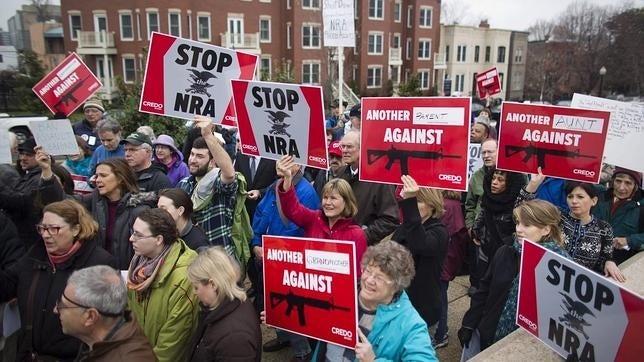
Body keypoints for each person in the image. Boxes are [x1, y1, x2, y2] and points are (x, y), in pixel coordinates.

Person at [0, 199, 115, 361]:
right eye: (42, 228)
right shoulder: (35, 256)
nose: (46, 235)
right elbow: (6, 288)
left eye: (54, 229)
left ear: (76, 229)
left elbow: (106, 324)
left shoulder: (99, 263)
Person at [458, 199, 569, 360]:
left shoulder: (561, 266)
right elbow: (484, 290)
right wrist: (469, 324)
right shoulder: (505, 252)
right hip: (488, 332)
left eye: (527, 225)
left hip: (528, 347)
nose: (519, 230)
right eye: (518, 223)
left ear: (546, 229)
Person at [312, 241, 438, 361]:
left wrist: (373, 360)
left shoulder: (410, 324)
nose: (369, 280)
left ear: (396, 285)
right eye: (368, 271)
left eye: (379, 278)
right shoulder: (341, 294)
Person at [253, 156, 320, 360]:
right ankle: (283, 336)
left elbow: (299, 229)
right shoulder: (275, 185)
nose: (280, 163)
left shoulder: (307, 192)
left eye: (288, 160)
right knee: (273, 302)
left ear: (299, 165)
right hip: (266, 254)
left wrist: (273, 251)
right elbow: (261, 213)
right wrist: (256, 242)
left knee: (290, 306)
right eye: (278, 159)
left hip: (288, 260)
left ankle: (302, 351)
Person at [39, 154, 151, 270]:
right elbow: (61, 200)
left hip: (127, 274)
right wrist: (47, 171)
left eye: (103, 176)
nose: (97, 180)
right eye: (96, 176)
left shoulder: (140, 209)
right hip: (97, 273)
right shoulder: (94, 201)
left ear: (120, 178)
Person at [521, 168, 625, 282]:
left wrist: (609, 262)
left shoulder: (604, 229)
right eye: (570, 196)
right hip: (545, 279)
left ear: (594, 201)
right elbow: (522, 210)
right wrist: (533, 185)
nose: (574, 201)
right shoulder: (556, 216)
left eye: (580, 197)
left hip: (578, 290)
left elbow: (604, 259)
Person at [127, 208, 199, 362]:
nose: (131, 239)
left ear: (159, 240)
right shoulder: (138, 266)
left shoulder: (182, 279)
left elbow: (172, 342)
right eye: (133, 232)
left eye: (138, 235)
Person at [277, 155, 367, 272]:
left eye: (333, 198)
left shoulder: (356, 235)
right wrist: (288, 178)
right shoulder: (314, 219)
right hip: (311, 285)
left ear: (346, 202)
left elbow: (359, 274)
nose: (328, 203)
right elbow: (292, 209)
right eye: (325, 197)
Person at [56, 265, 156, 361]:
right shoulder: (100, 344)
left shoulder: (127, 358)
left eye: (63, 305)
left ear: (90, 317)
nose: (55, 310)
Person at [390, 175, 448, 334]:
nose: (413, 206)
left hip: (421, 311)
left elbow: (420, 244)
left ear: (432, 205)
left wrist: (409, 203)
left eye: (418, 201)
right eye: (412, 201)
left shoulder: (439, 232)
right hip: (399, 305)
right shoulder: (406, 227)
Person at [187, 247, 261, 361]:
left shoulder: (234, 339)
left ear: (213, 284)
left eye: (196, 287)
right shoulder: (231, 301)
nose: (194, 292)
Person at [177, 116, 238, 254]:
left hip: (220, 259)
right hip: (190, 256)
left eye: (199, 156)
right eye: (192, 154)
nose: (192, 160)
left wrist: (207, 135)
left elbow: (229, 174)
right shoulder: (183, 184)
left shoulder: (218, 182)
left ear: (212, 161)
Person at [338, 130, 400, 244]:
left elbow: (390, 219)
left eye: (349, 147)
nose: (345, 150)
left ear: (363, 148)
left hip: (366, 248)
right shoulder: (340, 174)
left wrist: (363, 236)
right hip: (341, 243)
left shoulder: (380, 178)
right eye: (343, 147)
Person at [471, 169, 526, 289]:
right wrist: (475, 231)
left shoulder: (516, 206)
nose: (494, 182)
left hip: (504, 255)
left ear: (510, 184)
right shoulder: (488, 198)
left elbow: (526, 196)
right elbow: (483, 214)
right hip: (485, 251)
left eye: (500, 180)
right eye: (493, 178)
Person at [434, 189, 468, 349]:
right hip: (449, 259)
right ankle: (441, 331)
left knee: (440, 298)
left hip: (442, 260)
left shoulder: (444, 205)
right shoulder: (455, 205)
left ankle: (441, 334)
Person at [593, 167, 644, 264]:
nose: (621, 187)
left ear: (636, 186)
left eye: (628, 183)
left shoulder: (641, 207)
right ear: (612, 181)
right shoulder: (599, 195)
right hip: (590, 255)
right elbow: (573, 184)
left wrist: (629, 241)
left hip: (619, 264)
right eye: (618, 181)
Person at [0, 138, 45, 247]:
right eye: (21, 154)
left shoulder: (40, 178)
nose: (23, 158)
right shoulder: (29, 175)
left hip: (30, 239)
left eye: (29, 154)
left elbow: (19, 201)